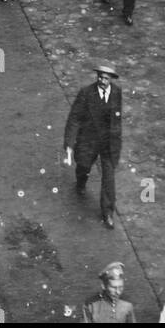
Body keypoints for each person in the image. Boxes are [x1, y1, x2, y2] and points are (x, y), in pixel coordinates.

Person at [63, 64, 123, 228]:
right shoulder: (86, 93)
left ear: (111, 79)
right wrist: (69, 145)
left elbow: (117, 119)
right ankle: (81, 182)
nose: (102, 81)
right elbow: (74, 118)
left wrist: (117, 140)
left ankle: (108, 213)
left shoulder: (117, 93)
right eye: (100, 77)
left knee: (109, 179)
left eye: (106, 78)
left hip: (108, 143)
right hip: (89, 141)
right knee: (83, 166)